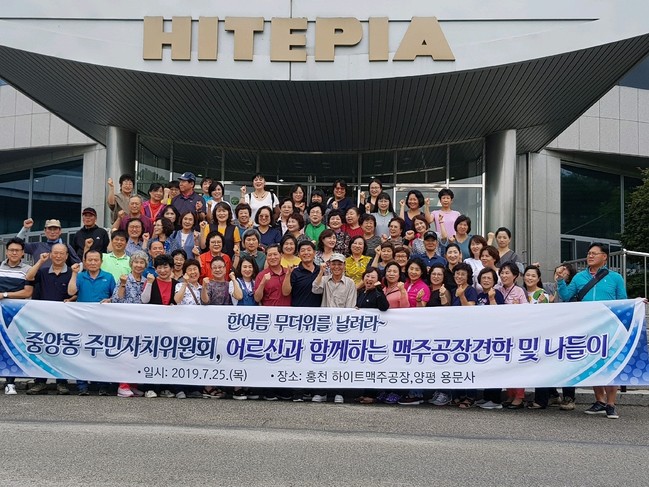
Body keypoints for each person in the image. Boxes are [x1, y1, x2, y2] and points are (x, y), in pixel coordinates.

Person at [557, 243, 627, 419]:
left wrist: (637, 304)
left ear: (604, 257)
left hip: (609, 327)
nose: (590, 256)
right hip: (588, 327)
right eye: (589, 253)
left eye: (594, 253)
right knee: (594, 363)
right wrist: (560, 281)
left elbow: (623, 301)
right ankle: (600, 401)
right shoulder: (579, 277)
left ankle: (611, 404)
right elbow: (566, 296)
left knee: (610, 365)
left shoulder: (615, 278)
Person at [24, 244, 74, 395]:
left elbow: (76, 292)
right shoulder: (43, 271)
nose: (58, 256)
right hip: (42, 319)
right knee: (42, 349)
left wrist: (72, 299)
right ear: (51, 255)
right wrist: (40, 261)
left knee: (61, 350)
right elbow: (29, 277)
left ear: (66, 256)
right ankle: (40, 382)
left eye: (62, 253)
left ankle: (61, 383)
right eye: (55, 253)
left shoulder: (72, 272)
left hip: (64, 319)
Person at [68, 249, 115, 396]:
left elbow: (115, 297)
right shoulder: (80, 276)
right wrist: (74, 273)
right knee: (82, 352)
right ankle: (82, 385)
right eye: (90, 260)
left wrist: (110, 300)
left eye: (96, 260)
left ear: (101, 261)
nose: (93, 263)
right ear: (85, 261)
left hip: (103, 322)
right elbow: (71, 292)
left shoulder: (108, 277)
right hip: (82, 321)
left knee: (102, 353)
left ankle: (103, 385)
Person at [312, 252, 356, 404]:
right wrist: (321, 272)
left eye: (339, 264)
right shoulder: (325, 279)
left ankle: (338, 391)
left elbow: (350, 305)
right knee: (323, 358)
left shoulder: (350, 283)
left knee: (340, 359)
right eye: (334, 264)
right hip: (325, 325)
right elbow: (315, 289)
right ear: (329, 265)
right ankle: (321, 391)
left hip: (341, 325)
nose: (337, 267)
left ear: (344, 266)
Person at [281, 239, 323, 402]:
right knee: (299, 355)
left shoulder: (322, 270)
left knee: (315, 355)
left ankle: (313, 390)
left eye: (309, 250)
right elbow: (286, 292)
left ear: (314, 253)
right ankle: (297, 390)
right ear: (299, 254)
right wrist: (288, 274)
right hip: (299, 320)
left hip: (319, 320)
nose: (306, 253)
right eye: (303, 251)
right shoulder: (295, 272)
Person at [253, 244, 290, 401]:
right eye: (270, 255)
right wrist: (263, 283)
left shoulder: (289, 272)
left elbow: (288, 292)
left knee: (285, 354)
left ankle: (283, 388)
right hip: (269, 320)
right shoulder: (262, 275)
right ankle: (268, 388)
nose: (273, 257)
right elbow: (257, 298)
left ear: (281, 255)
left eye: (275, 254)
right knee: (269, 354)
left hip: (287, 320)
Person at [110, 251, 149, 398]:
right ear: (131, 264)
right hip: (125, 322)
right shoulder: (124, 278)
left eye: (142, 262)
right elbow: (117, 300)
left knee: (137, 354)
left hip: (141, 322)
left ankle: (133, 384)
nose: (139, 265)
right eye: (136, 262)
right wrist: (123, 284)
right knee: (126, 354)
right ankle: (123, 385)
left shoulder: (146, 281)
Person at [0, 238, 34, 395]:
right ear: (7, 252)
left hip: (15, 313)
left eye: (17, 250)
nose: (14, 253)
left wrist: (5, 295)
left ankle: (10, 383)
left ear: (22, 253)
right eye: (11, 250)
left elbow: (27, 292)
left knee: (11, 345)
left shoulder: (28, 269)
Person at [495, 262, 528, 409]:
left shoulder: (519, 291)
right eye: (502, 273)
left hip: (516, 332)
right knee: (506, 364)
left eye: (507, 273)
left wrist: (517, 308)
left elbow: (526, 310)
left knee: (517, 364)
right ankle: (510, 394)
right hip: (501, 333)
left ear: (515, 275)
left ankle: (519, 396)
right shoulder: (497, 289)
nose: (504, 275)